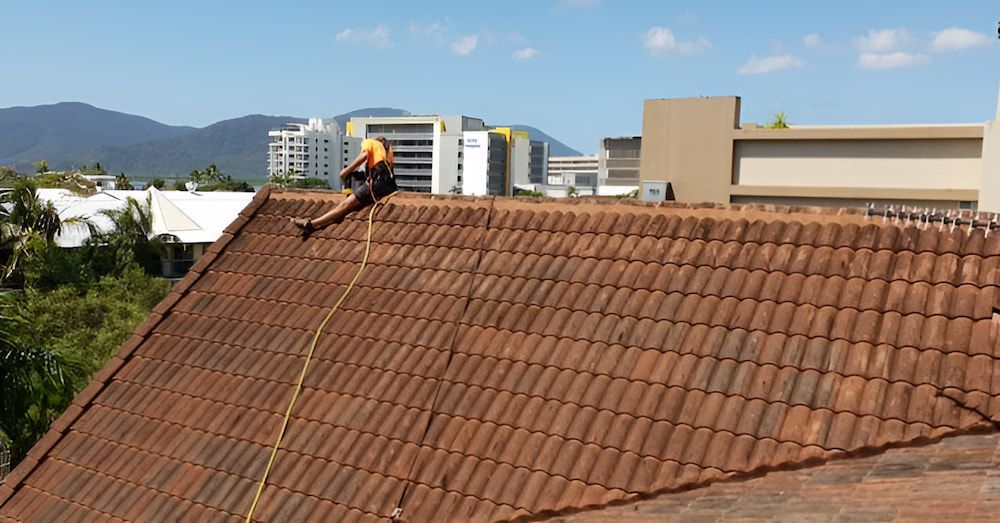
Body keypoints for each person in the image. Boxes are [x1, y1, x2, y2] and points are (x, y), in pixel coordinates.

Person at [290, 136, 398, 233]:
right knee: (352, 207)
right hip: (389, 186)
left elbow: (363, 155)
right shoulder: (387, 157)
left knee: (345, 204)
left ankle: (312, 223)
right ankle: (326, 222)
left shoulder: (371, 143)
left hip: (377, 184)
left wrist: (346, 171)